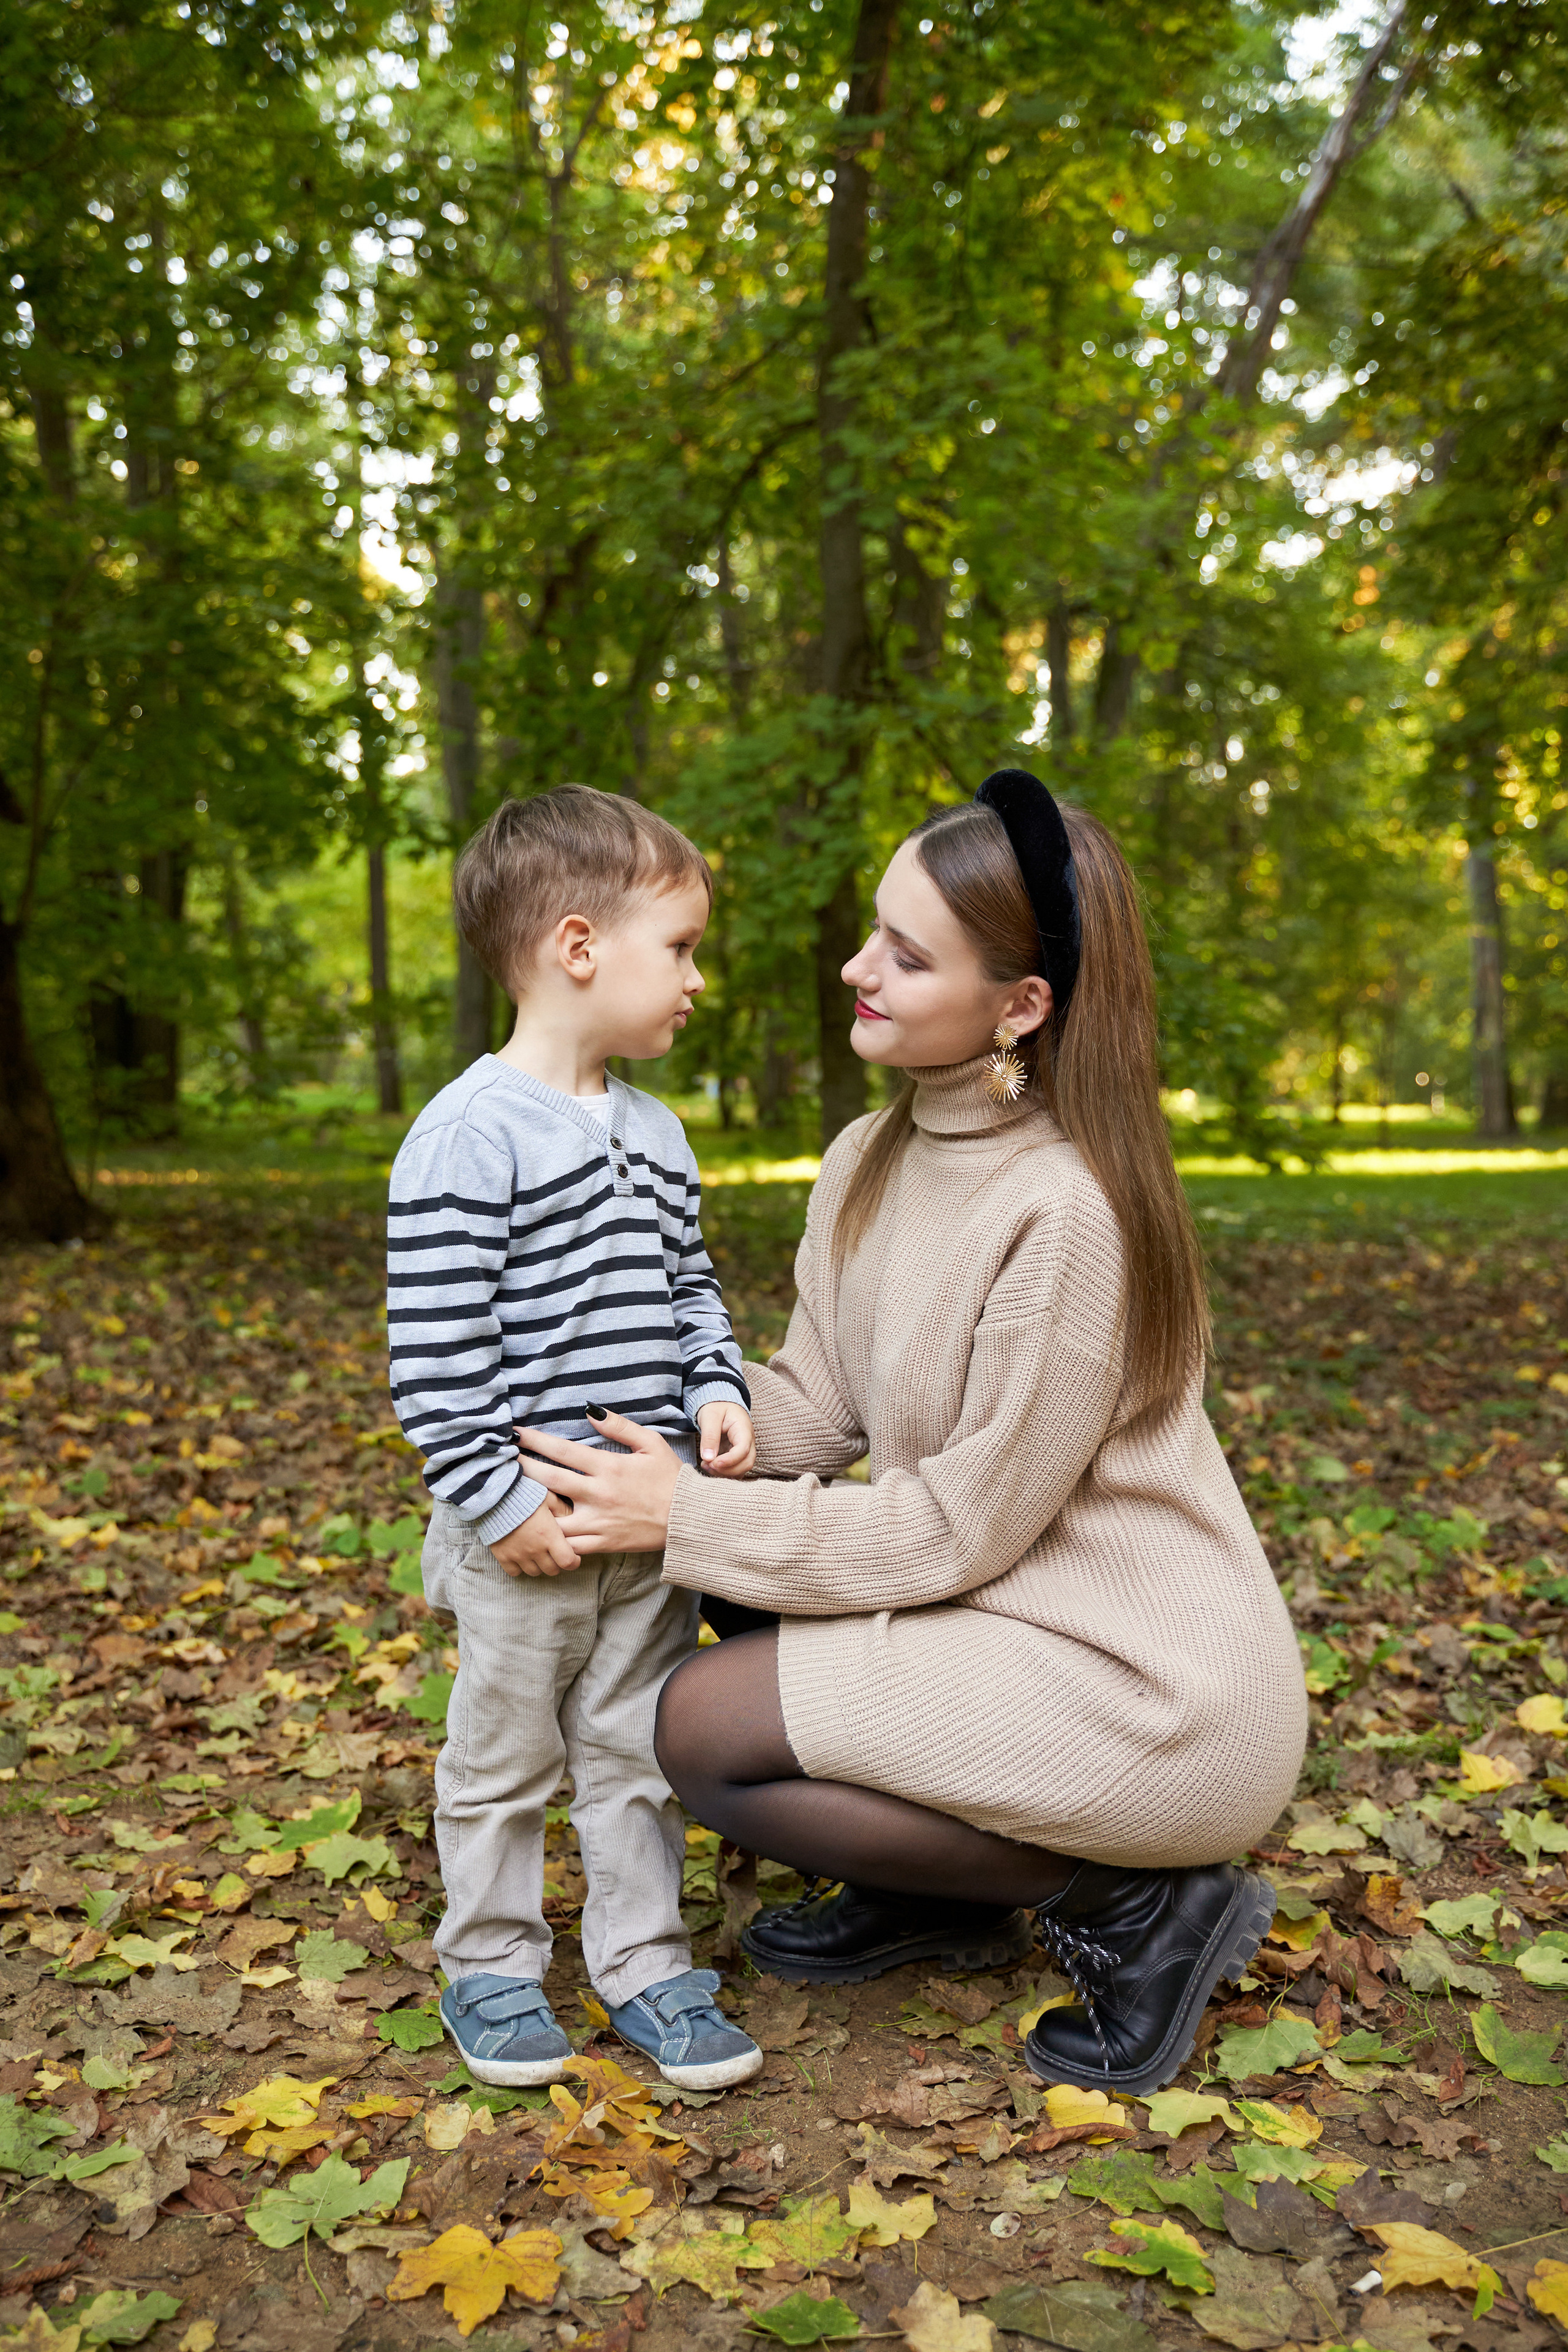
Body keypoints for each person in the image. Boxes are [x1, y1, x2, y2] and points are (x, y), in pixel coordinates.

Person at [514, 770, 1308, 2098]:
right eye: (873, 929)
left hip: (1146, 1687)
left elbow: (956, 1526)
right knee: (714, 1564)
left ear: (1020, 1006)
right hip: (999, 1619)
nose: (854, 966)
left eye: (904, 954)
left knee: (700, 1729)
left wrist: (686, 1517)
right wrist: (604, 1433)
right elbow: (812, 1410)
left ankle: (1132, 1905)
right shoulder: (867, 1159)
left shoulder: (1067, 1216)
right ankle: (931, 1891)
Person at [387, 785, 763, 2092]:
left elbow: (688, 1287)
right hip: (526, 1538)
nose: (697, 980)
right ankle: (489, 1966)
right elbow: (435, 1359)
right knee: (501, 1755)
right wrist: (498, 1505)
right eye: (680, 947)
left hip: (640, 1527)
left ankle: (645, 1966)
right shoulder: (466, 1137)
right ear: (578, 946)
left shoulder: (656, 1134)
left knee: (629, 1752)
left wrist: (716, 1384)